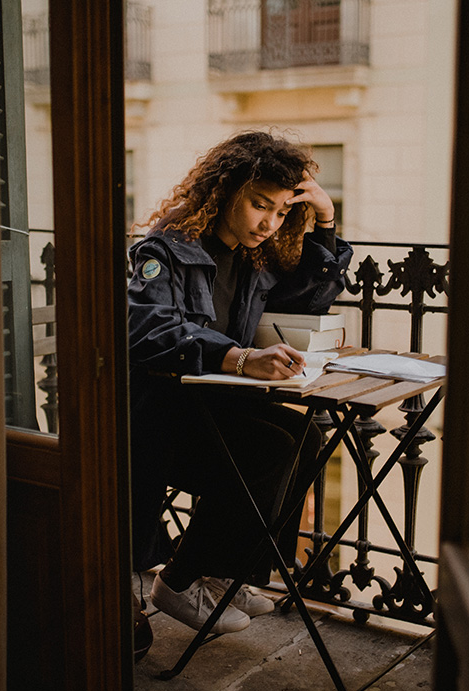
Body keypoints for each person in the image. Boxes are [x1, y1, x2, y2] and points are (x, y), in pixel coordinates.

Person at [126, 130, 353, 634]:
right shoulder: (165, 248)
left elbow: (308, 299)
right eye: (259, 205)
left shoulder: (252, 258)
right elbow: (146, 329)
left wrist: (326, 219)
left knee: (309, 436)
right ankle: (180, 581)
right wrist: (239, 356)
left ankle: (225, 574)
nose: (269, 224)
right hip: (156, 419)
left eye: (280, 213)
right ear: (225, 190)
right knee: (268, 448)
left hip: (208, 408)